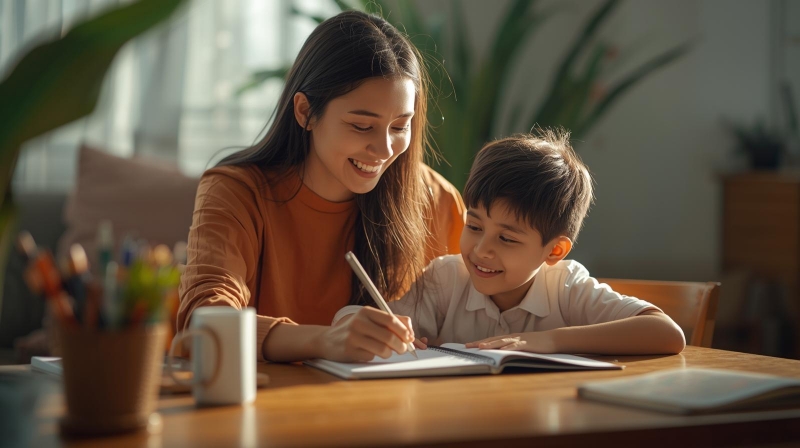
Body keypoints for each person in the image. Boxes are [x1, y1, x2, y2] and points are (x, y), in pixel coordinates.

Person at [177, 11, 465, 363]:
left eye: (399, 126)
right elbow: (202, 324)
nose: (385, 150)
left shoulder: (436, 199)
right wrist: (325, 341)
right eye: (362, 126)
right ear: (305, 112)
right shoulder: (237, 191)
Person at [333, 129, 686, 355]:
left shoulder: (565, 286)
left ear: (554, 251)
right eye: (474, 226)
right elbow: (365, 324)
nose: (481, 249)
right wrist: (366, 324)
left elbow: (667, 333)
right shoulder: (445, 278)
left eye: (506, 238)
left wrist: (549, 341)